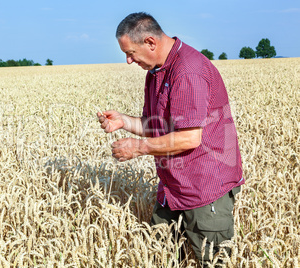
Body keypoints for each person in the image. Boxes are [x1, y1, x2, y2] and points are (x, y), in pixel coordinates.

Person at [97, 12, 244, 266]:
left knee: (214, 261)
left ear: (150, 42)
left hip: (204, 191)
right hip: (172, 189)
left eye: (130, 53)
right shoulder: (155, 73)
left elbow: (189, 137)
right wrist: (123, 121)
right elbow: (155, 126)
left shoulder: (188, 71)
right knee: (159, 255)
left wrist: (138, 149)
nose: (129, 61)